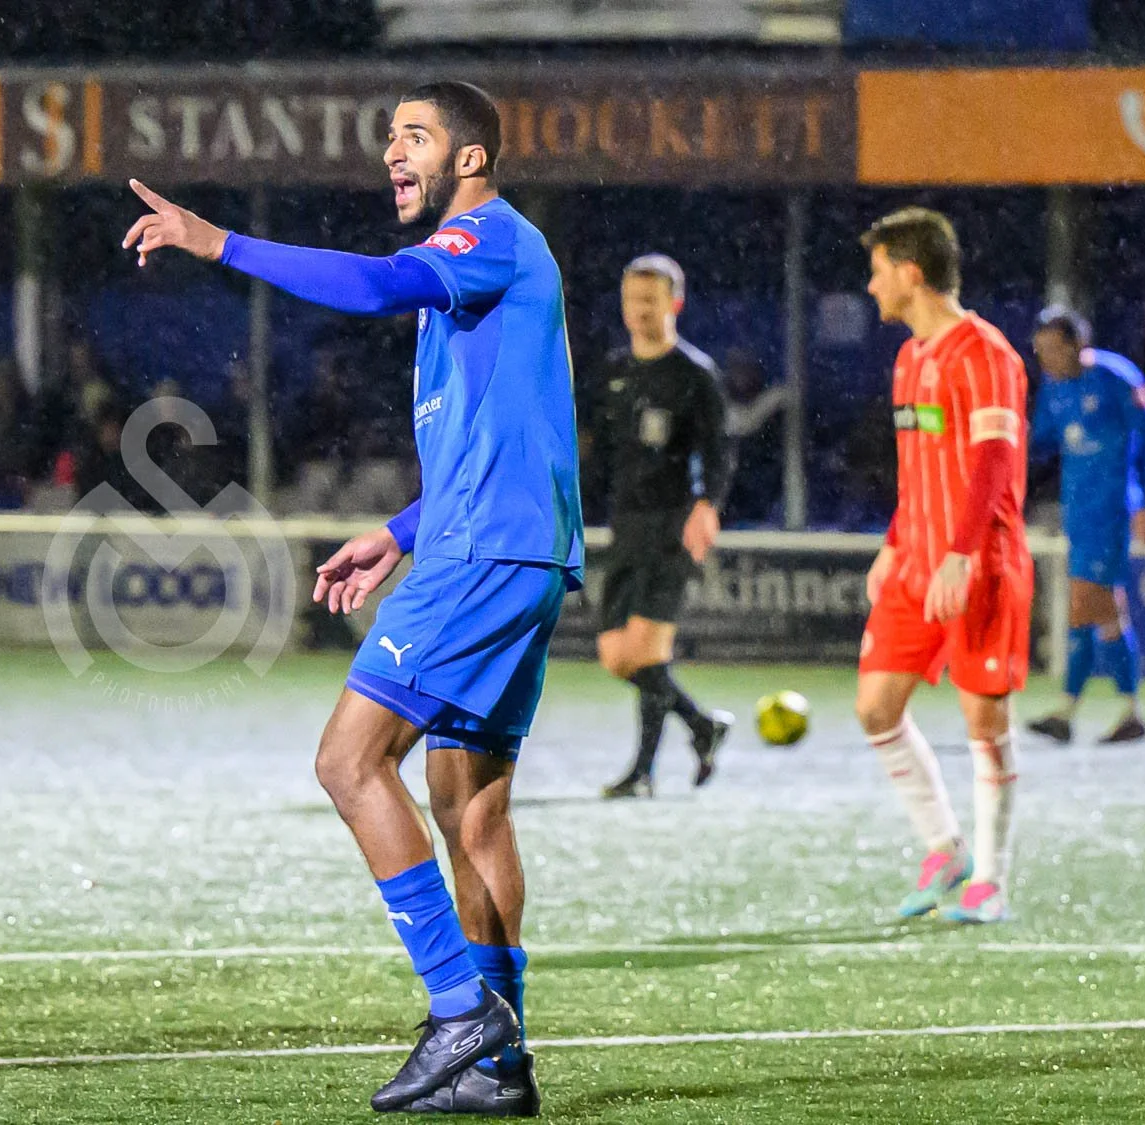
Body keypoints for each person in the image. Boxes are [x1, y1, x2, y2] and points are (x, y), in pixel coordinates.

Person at [124, 79, 573, 1116]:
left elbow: (373, 288)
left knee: (346, 760)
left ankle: (461, 1011)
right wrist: (397, 532)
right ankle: (500, 1071)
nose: (390, 153)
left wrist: (214, 240)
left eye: (413, 136)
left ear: (470, 157)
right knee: (470, 810)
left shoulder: (486, 240)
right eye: (386, 138)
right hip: (506, 550)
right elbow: (514, 436)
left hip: (482, 562)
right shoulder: (487, 273)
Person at [854, 208, 1029, 926]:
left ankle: (989, 878)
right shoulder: (909, 358)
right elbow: (917, 465)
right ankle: (943, 847)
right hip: (917, 561)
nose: (870, 287)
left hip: (976, 563)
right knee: (875, 707)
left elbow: (992, 461)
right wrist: (897, 540)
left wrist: (959, 553)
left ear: (911, 272)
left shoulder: (984, 353)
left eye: (877, 270)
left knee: (984, 719)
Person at [588, 254, 735, 800]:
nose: (639, 311)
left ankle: (644, 773)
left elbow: (721, 450)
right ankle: (701, 725)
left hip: (673, 527)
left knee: (647, 653)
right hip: (625, 525)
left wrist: (708, 505)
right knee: (615, 656)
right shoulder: (615, 372)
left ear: (675, 303)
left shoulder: (695, 375)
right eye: (631, 300)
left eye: (650, 300)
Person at [1025, 306, 1145, 744]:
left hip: (1112, 510)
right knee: (1104, 611)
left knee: (1086, 603)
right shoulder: (1054, 386)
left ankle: (1071, 710)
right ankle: (1124, 712)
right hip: (1077, 510)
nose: (1046, 359)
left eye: (1052, 349)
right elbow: (1039, 439)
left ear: (1077, 346)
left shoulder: (1116, 376)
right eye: (1039, 351)